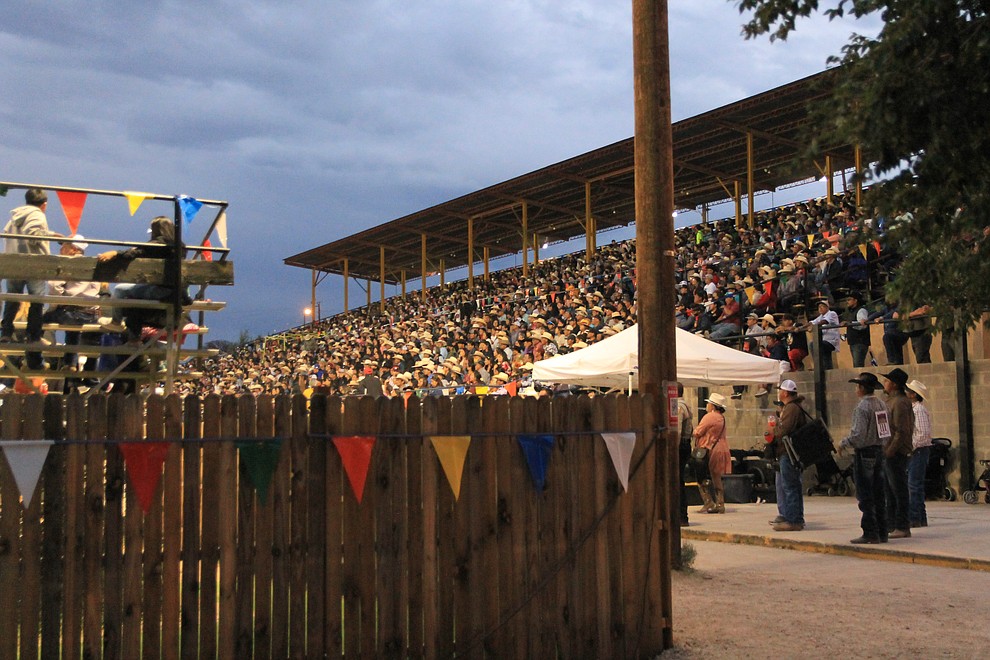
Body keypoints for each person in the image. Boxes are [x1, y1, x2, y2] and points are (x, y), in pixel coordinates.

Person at [97, 216, 186, 340]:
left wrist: (115, 253)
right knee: (133, 298)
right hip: (176, 292)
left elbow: (134, 254)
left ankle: (116, 322)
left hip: (159, 291)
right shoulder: (180, 247)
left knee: (120, 289)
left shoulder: (157, 244)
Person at [1, 188, 60, 369]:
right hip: (34, 264)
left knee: (13, 299)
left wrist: (51, 234)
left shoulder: (15, 215)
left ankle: (6, 333)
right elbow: (33, 234)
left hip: (14, 261)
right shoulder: (38, 214)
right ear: (44, 204)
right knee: (37, 301)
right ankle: (33, 337)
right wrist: (49, 236)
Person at [838, 372, 890, 544]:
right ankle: (883, 530)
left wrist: (844, 442)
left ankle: (870, 531)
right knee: (878, 492)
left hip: (865, 452)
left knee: (865, 494)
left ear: (861, 388)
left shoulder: (862, 408)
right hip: (879, 450)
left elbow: (859, 435)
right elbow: (885, 431)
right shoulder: (881, 404)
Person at [768, 379, 808, 531]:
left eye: (780, 391)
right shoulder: (791, 407)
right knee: (792, 486)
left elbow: (784, 430)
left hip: (789, 453)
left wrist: (773, 430)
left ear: (785, 392)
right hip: (789, 453)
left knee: (790, 486)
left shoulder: (791, 408)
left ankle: (794, 520)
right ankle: (794, 517)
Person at [881, 367, 914, 539]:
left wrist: (890, 451)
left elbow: (901, 431)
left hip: (896, 453)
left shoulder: (900, 402)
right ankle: (891, 524)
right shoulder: (890, 401)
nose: (884, 384)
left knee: (898, 490)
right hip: (888, 450)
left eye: (887, 381)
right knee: (889, 491)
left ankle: (902, 525)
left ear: (894, 384)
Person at [693, 392, 732, 514]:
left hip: (709, 448)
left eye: (709, 403)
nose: (707, 405)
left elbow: (698, 431)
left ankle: (708, 501)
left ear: (713, 406)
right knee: (716, 476)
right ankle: (720, 503)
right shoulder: (721, 418)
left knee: (701, 474)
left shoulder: (709, 417)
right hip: (721, 447)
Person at [906, 378, 932, 528]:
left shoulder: (918, 410)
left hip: (918, 451)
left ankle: (915, 517)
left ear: (913, 395)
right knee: (915, 485)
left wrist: (910, 447)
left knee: (914, 485)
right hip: (918, 451)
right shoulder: (914, 409)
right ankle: (920, 517)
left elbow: (922, 434)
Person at [677, 383, 695, 526]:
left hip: (680, 446)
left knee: (677, 481)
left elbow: (677, 431)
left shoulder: (678, 407)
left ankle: (682, 516)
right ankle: (682, 515)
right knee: (679, 480)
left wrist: (672, 449)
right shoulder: (686, 405)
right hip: (685, 444)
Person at [806, 300, 840, 369]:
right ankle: (824, 369)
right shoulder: (821, 316)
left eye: (823, 306)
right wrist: (799, 327)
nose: (820, 308)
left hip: (831, 341)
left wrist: (814, 326)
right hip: (824, 340)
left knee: (813, 344)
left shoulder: (832, 313)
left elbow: (824, 321)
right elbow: (812, 322)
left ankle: (818, 366)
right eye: (819, 307)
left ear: (827, 308)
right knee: (826, 357)